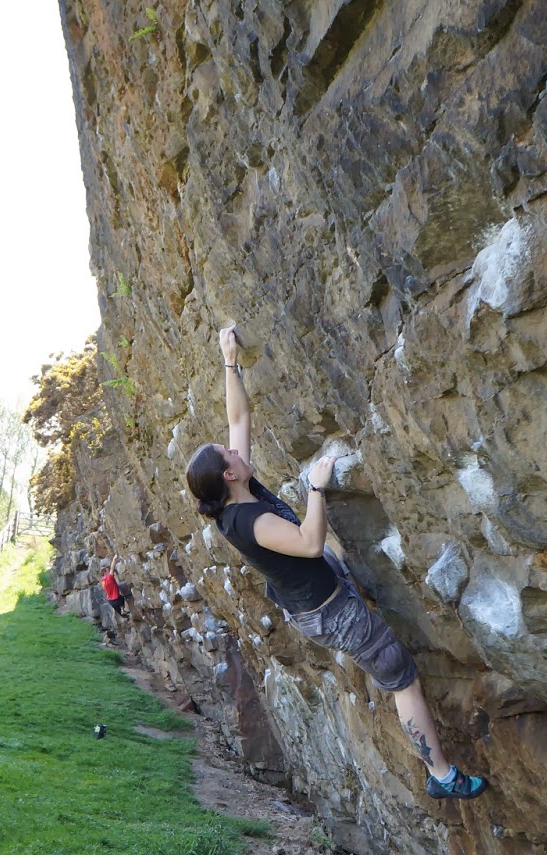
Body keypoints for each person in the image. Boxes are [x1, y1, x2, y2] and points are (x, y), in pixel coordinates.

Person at [185, 324, 488, 804]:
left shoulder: (233, 492)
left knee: (351, 583)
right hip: (330, 612)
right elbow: (307, 543)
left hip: (320, 592)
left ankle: (437, 767)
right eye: (228, 454)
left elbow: (238, 416)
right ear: (229, 475)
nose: (235, 450)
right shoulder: (248, 521)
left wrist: (228, 359)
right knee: (400, 676)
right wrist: (316, 487)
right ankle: (442, 775)